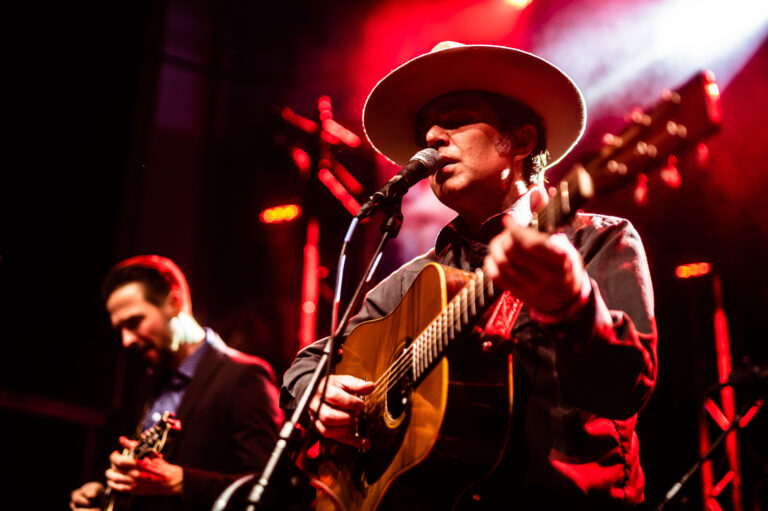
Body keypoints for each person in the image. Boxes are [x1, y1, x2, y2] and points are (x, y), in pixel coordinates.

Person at [280, 42, 657, 510]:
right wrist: (316, 392)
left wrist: (573, 305)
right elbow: (309, 363)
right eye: (426, 131)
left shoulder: (596, 242)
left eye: (456, 119)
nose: (433, 136)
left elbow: (627, 390)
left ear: (521, 142)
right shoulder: (413, 281)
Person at [70, 255, 283, 511]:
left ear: (173, 303)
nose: (126, 340)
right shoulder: (147, 384)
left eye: (134, 322)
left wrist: (180, 481)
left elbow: (274, 488)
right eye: (120, 330)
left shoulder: (244, 377)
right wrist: (100, 488)